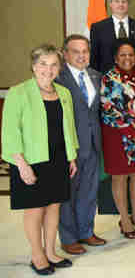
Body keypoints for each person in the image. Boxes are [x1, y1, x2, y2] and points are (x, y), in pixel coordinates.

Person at [2, 44, 78, 274]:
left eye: (54, 64)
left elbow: (69, 127)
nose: (49, 69)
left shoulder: (63, 93)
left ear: (59, 68)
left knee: (54, 207)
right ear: (34, 66)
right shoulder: (18, 92)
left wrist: (72, 156)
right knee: (35, 210)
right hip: (31, 161)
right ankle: (37, 256)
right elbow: (10, 131)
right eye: (43, 64)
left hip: (58, 159)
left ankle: (51, 251)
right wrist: (21, 164)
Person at [55, 35, 106, 255]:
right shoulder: (57, 78)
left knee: (89, 191)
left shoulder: (96, 76)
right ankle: (68, 238)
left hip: (94, 144)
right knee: (68, 194)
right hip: (70, 147)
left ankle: (86, 231)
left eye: (85, 51)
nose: (81, 55)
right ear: (65, 54)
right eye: (76, 51)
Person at [100, 39, 135, 239]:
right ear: (116, 58)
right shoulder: (109, 78)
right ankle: (124, 219)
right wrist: (133, 132)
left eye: (131, 54)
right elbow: (109, 110)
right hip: (118, 136)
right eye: (123, 54)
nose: (127, 58)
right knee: (120, 177)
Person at [89, 0, 135, 73]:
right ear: (110, 4)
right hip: (107, 79)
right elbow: (94, 58)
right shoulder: (98, 28)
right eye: (116, 1)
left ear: (128, 4)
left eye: (124, 1)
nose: (120, 4)